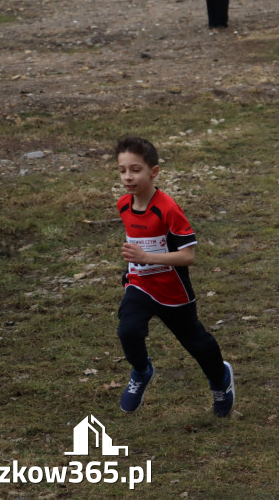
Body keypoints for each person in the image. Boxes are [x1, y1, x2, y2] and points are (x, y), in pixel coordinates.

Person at [113, 136, 235, 416]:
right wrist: (136, 265)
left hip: (172, 291)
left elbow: (188, 256)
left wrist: (146, 257)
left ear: (153, 172)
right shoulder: (123, 205)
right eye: (122, 170)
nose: (127, 177)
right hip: (140, 284)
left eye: (135, 170)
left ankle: (220, 380)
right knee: (128, 330)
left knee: (198, 344)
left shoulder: (167, 208)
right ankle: (142, 371)